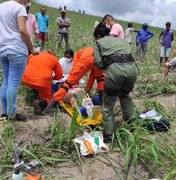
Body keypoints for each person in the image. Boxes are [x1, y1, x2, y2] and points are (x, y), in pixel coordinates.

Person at [93, 22, 138, 142]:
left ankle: (108, 136)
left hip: (116, 72)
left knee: (108, 105)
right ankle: (132, 128)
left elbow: (97, 62)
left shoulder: (98, 42)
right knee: (124, 96)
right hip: (133, 70)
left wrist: (107, 67)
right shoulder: (122, 40)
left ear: (98, 35)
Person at [0, 0, 38, 121]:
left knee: (5, 81)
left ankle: (4, 112)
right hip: (17, 49)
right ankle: (11, 114)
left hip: (2, 49)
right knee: (13, 83)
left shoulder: (1, 7)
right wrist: (31, 48)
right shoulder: (19, 8)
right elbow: (22, 30)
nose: (27, 2)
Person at [44, 47, 105, 114]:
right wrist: (59, 100)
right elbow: (56, 88)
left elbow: (92, 75)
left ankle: (91, 107)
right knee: (72, 98)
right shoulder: (60, 75)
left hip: (76, 89)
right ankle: (78, 110)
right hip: (68, 92)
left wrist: (87, 89)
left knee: (85, 97)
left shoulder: (76, 64)